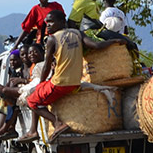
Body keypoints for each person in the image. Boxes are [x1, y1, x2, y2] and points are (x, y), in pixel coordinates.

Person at [16, 8, 127, 142]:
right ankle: (33, 131)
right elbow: (96, 46)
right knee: (38, 92)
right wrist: (115, 41)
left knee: (31, 101)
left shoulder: (52, 39)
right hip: (75, 82)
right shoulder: (78, 33)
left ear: (62, 22)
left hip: (60, 83)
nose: (48, 25)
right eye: (47, 22)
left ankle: (57, 123)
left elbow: (46, 66)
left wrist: (41, 82)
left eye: (51, 22)